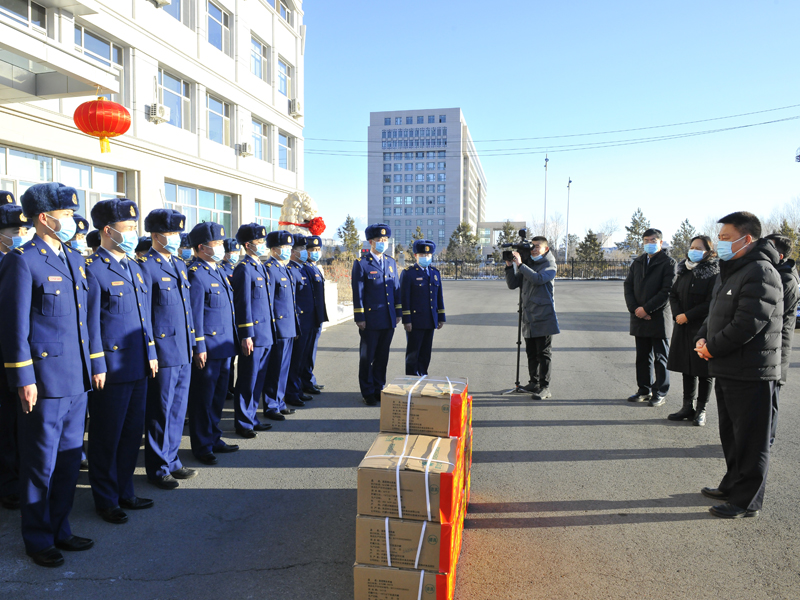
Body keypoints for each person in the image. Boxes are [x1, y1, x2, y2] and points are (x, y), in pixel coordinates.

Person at [0, 182, 96, 567]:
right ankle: (38, 538)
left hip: (77, 379)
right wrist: (23, 378)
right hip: (44, 382)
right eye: (68, 215)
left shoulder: (73, 257)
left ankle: (61, 528)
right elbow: (14, 326)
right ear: (45, 218)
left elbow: (82, 322)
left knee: (69, 461)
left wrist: (95, 367)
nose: (73, 222)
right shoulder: (23, 260)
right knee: (41, 464)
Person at [696, 211, 782, 519]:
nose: (720, 244)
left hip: (753, 371)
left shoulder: (761, 271)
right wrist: (701, 339)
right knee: (732, 434)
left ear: (747, 239)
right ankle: (733, 483)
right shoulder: (731, 270)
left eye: (726, 238)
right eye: (718, 239)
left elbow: (749, 323)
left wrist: (712, 348)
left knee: (752, 440)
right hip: (728, 367)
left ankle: (747, 501)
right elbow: (714, 313)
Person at [85, 199, 158, 525]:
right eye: (127, 228)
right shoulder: (93, 269)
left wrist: (152, 354)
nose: (132, 234)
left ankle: (125, 489)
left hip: (139, 365)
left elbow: (145, 320)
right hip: (111, 370)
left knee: (131, 434)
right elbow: (90, 325)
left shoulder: (135, 267)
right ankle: (105, 498)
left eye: (133, 228)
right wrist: (97, 364)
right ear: (107, 230)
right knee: (106, 436)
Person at [139, 209, 196, 490]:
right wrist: (150, 351)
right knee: (159, 412)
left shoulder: (179, 264)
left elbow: (187, 311)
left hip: (183, 349)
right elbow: (145, 316)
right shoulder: (146, 266)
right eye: (171, 233)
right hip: (163, 351)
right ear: (156, 235)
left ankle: (172, 459)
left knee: (177, 410)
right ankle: (158, 467)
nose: (176, 238)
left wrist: (195, 344)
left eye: (177, 233)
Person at [186, 222, 240, 465]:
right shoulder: (196, 273)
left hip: (224, 345)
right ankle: (202, 444)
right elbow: (195, 315)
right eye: (216, 244)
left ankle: (214, 436)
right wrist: (199, 347)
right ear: (202, 248)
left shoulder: (217, 270)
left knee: (218, 396)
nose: (221, 248)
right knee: (203, 398)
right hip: (207, 348)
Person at [666, 235, 719, 426]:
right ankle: (687, 406)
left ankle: (701, 409)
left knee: (704, 371)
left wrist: (688, 315)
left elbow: (711, 302)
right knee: (687, 368)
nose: (693, 250)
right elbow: (673, 294)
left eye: (699, 247)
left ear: (709, 251)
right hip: (682, 326)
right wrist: (679, 314)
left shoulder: (713, 272)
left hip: (702, 328)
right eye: (692, 247)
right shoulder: (684, 269)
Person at [623, 228, 677, 406]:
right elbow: (628, 286)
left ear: (660, 242)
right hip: (639, 316)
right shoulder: (638, 262)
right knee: (642, 356)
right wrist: (635, 309)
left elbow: (667, 291)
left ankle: (660, 391)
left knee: (661, 358)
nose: (649, 243)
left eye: (653, 240)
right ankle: (643, 389)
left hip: (659, 317)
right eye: (646, 240)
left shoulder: (668, 263)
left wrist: (647, 309)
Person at [231, 223, 273, 438]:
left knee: (258, 379)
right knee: (248, 378)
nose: (263, 246)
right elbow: (243, 304)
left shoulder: (260, 266)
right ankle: (243, 422)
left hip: (266, 333)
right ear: (248, 245)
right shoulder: (244, 269)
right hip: (254, 335)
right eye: (259, 242)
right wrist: (246, 334)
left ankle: (252, 417)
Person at [504, 235, 560, 399]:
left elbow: (538, 279)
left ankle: (545, 387)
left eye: (537, 247)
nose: (534, 249)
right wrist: (509, 266)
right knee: (531, 351)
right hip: (529, 315)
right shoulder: (529, 263)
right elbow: (513, 284)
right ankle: (533, 382)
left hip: (544, 316)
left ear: (546, 249)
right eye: (532, 247)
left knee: (543, 353)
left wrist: (521, 265)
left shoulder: (550, 265)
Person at [351, 224, 401, 405]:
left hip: (388, 318)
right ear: (370, 241)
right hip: (370, 320)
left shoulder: (390, 262)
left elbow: (396, 289)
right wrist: (360, 317)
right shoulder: (362, 264)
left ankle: (379, 387)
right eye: (379, 240)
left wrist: (398, 312)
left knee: (382, 357)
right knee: (367, 357)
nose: (382, 243)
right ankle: (367, 391)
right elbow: (358, 293)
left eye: (385, 240)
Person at [0, 197, 28, 511]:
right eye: (14, 230)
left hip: (22, 355)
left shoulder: (24, 260)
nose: (20, 235)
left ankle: (20, 474)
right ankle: (8, 482)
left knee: (21, 421)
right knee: (5, 421)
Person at [762, 233, 800, 447]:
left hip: (778, 346)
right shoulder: (777, 273)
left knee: (771, 397)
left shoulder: (786, 279)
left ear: (780, 254)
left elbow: (775, 314)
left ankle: (767, 439)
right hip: (771, 344)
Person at [263, 230, 301, 420]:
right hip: (278, 327)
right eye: (284, 247)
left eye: (289, 247)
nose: (287, 250)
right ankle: (271, 405)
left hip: (288, 326)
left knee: (284, 367)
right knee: (275, 368)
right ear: (274, 249)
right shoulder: (270, 268)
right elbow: (269, 303)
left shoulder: (284, 267)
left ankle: (279, 400)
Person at [400, 239, 445, 376]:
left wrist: (441, 317)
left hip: (430, 320)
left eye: (428, 255)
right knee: (413, 354)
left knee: (426, 353)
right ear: (415, 256)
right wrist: (406, 320)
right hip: (415, 321)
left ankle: (423, 376)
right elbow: (404, 298)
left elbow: (439, 297)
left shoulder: (435, 273)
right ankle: (411, 380)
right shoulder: (409, 273)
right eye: (422, 255)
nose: (426, 257)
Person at [284, 234, 315, 407]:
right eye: (301, 249)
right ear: (293, 252)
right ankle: (292, 392)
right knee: (294, 361)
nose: (304, 252)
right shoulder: (290, 269)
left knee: (302, 359)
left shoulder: (304, 268)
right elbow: (293, 301)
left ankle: (298, 389)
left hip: (308, 321)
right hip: (299, 322)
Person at [301, 235, 328, 394]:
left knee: (311, 350)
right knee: (305, 352)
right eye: (313, 250)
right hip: (308, 316)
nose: (316, 253)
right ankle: (305, 382)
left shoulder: (316, 267)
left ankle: (310, 379)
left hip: (317, 315)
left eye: (318, 250)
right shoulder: (303, 267)